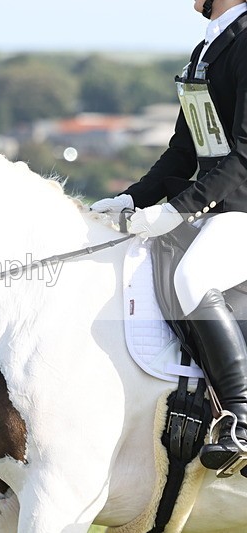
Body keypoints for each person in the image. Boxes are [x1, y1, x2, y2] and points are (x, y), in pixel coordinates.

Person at [92, 0, 247, 475]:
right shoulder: (209, 46)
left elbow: (243, 153)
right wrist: (133, 200)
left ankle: (241, 418)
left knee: (193, 277)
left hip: (242, 206)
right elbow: (184, 152)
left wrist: (180, 210)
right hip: (221, 202)